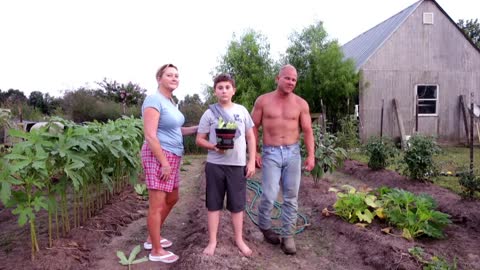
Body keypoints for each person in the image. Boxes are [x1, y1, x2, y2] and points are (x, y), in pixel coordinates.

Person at [251, 64, 315, 255]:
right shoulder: (263, 101)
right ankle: (265, 226)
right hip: (270, 153)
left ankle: (288, 236)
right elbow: (253, 127)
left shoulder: (301, 104)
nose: (290, 82)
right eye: (287, 78)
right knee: (270, 194)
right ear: (277, 78)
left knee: (291, 196)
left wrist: (311, 155)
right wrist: (254, 152)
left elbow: (308, 131)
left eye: (294, 79)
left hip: (293, 153)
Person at [141, 63, 198, 263]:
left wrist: (196, 128)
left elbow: (175, 130)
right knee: (156, 204)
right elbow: (150, 134)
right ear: (159, 78)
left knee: (172, 198)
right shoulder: (153, 100)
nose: (174, 78)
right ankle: (156, 250)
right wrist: (163, 162)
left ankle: (152, 237)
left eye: (176, 75)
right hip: (159, 155)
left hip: (173, 155)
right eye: (169, 75)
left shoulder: (170, 102)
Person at [196, 73, 256, 257]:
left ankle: (239, 239)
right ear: (215, 91)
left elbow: (250, 137)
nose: (224, 91)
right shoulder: (209, 113)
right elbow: (199, 139)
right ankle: (212, 241)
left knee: (237, 205)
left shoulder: (242, 111)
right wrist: (213, 147)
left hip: (237, 165)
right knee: (213, 204)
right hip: (215, 165)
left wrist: (251, 160)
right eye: (220, 87)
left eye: (227, 87)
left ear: (233, 90)